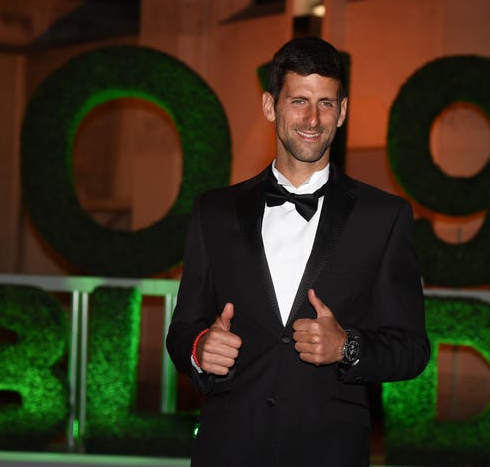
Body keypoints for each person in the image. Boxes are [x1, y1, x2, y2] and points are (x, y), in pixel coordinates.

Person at [166, 37, 430, 467]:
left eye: (326, 103)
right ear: (270, 106)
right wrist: (200, 348)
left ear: (342, 112)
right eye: (299, 101)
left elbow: (412, 348)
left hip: (329, 451)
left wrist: (347, 348)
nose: (312, 118)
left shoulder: (385, 216)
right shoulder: (212, 212)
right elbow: (182, 329)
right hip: (228, 448)